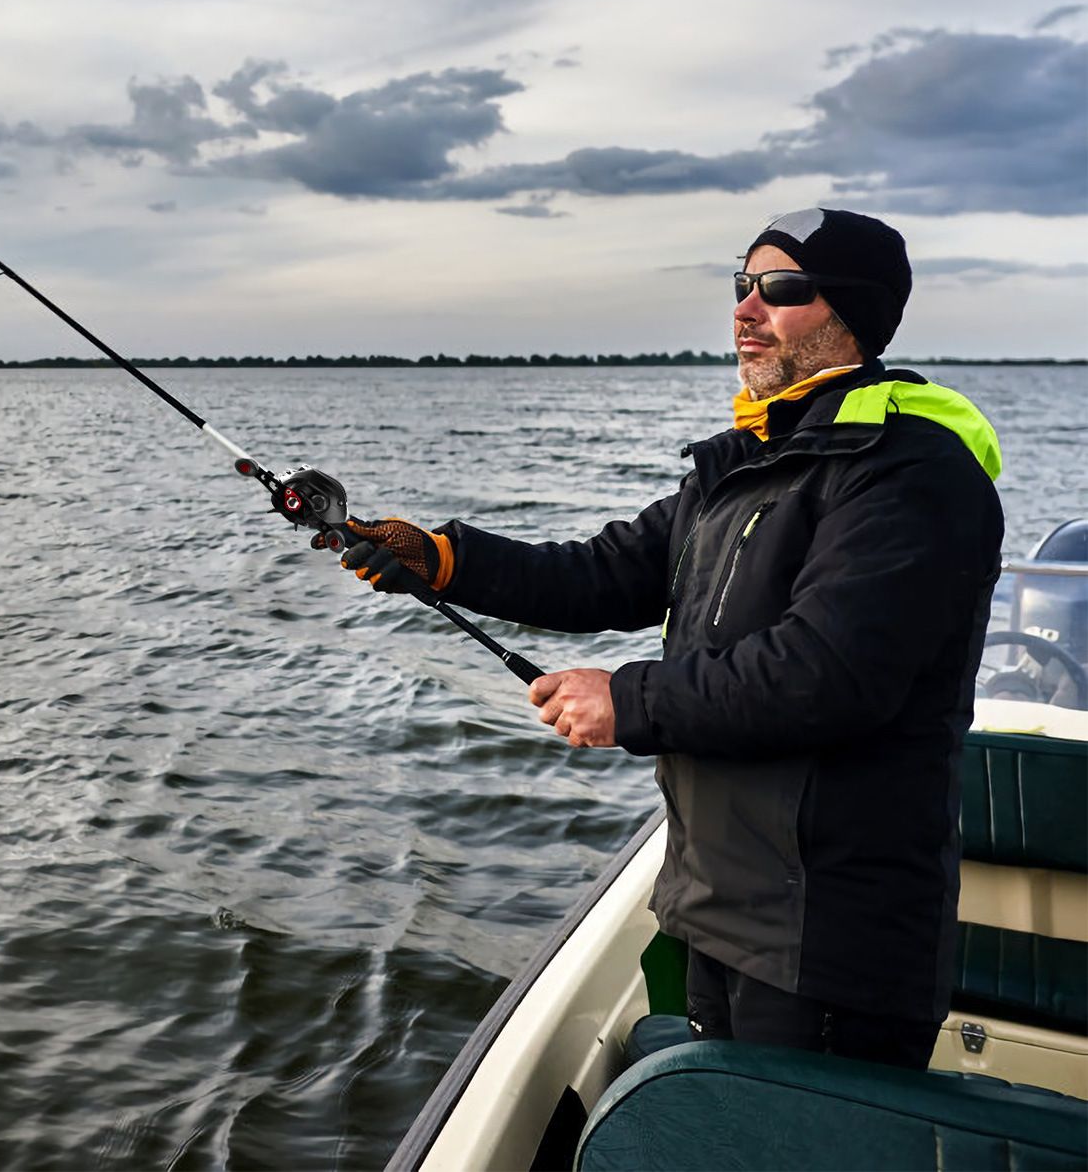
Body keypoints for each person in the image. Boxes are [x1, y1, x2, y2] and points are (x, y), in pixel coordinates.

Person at [332, 208, 1003, 1071]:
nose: (746, 309)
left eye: (781, 288)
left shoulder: (911, 470)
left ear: (854, 312)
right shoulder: (747, 462)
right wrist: (441, 558)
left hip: (830, 933)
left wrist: (627, 699)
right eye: (743, 285)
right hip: (716, 901)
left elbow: (828, 674)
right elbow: (600, 573)